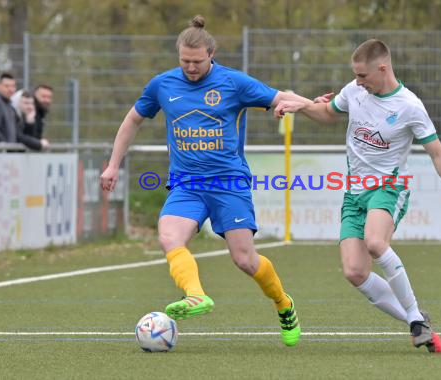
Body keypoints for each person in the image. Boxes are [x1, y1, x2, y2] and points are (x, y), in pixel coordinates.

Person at [100, 15, 312, 347]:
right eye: (185, 61)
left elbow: (278, 97)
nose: (191, 67)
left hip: (229, 183)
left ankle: (284, 304)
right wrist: (113, 165)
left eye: (197, 62)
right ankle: (196, 296)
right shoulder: (163, 85)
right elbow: (132, 120)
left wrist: (305, 105)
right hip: (186, 184)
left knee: (245, 259)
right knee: (170, 237)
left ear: (211, 54)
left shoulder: (234, 83)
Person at [275, 39, 441, 353]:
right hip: (354, 192)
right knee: (355, 272)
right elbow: (328, 112)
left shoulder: (409, 106)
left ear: (382, 68)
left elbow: (437, 153)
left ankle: (414, 318)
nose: (358, 81)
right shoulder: (355, 92)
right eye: (355, 76)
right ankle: (417, 321)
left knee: (375, 242)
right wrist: (301, 105)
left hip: (388, 188)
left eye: (363, 76)